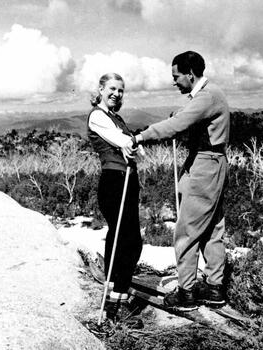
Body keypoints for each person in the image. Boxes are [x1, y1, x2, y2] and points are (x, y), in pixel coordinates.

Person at [126, 51, 230, 311]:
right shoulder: (210, 94)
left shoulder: (206, 96)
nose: (174, 82)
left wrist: (140, 137)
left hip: (205, 166)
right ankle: (214, 288)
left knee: (186, 232)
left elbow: (177, 124)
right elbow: (186, 118)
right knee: (212, 228)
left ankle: (187, 293)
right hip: (214, 164)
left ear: (190, 74)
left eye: (176, 77)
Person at [87, 73, 143, 324]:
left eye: (121, 90)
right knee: (129, 241)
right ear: (101, 89)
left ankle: (115, 295)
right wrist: (129, 143)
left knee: (121, 238)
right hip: (114, 181)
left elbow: (138, 152)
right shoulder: (98, 116)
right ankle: (116, 303)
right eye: (112, 89)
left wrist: (130, 144)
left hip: (128, 180)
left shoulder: (116, 118)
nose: (116, 94)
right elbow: (128, 145)